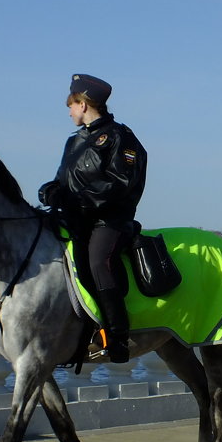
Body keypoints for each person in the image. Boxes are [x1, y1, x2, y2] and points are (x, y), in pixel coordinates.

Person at [37, 74, 147, 363]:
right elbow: (64, 181)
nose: (69, 111)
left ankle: (118, 337)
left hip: (109, 221)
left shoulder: (121, 137)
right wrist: (52, 190)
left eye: (71, 105)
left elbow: (122, 182)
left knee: (99, 262)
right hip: (77, 219)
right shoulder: (74, 142)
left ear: (84, 104)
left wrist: (77, 198)